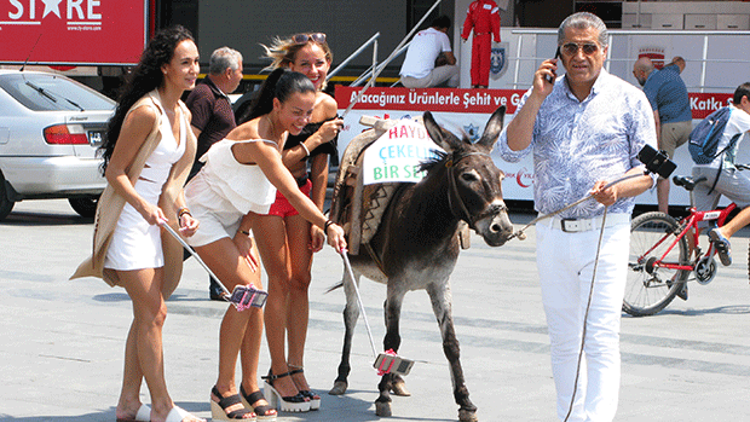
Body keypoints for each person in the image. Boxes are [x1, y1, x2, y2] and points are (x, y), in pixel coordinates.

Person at [498, 12, 656, 422]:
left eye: (589, 47)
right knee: (563, 340)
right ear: (559, 52)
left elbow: (651, 172)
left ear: (604, 51)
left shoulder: (629, 98)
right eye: (571, 47)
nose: (580, 55)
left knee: (601, 336)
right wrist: (534, 97)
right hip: (551, 233)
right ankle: (569, 417)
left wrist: (618, 190)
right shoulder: (541, 95)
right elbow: (510, 151)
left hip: (606, 231)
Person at [183, 68, 347, 419]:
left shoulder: (282, 132)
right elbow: (288, 190)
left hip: (233, 218)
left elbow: (257, 191)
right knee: (247, 291)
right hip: (202, 214)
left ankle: (249, 385)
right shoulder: (259, 140)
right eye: (297, 112)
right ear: (276, 104)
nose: (304, 120)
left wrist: (243, 233)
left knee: (256, 295)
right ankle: (222, 388)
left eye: (308, 113)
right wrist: (328, 223)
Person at [71, 26, 204, 422]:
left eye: (196, 61)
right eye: (186, 62)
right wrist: (143, 207)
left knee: (150, 313)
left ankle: (129, 402)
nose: (194, 68)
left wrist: (182, 212)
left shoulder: (182, 112)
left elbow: (174, 182)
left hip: (157, 220)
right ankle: (161, 405)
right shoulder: (147, 112)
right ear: (165, 68)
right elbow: (115, 173)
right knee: (154, 312)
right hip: (129, 218)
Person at [250, 32, 343, 412]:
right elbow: (272, 165)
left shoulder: (328, 104)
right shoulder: (276, 101)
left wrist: (320, 218)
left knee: (302, 281)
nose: (314, 70)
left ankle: (296, 366)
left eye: (319, 63)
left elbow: (321, 168)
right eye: (305, 64)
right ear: (290, 67)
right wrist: (313, 137)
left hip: (302, 198)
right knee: (281, 280)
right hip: (269, 194)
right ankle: (275, 371)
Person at [184, 46, 244, 301]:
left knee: (219, 229)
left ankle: (219, 285)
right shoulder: (203, 95)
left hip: (217, 177)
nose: (242, 76)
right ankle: (157, 268)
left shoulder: (217, 95)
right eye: (240, 71)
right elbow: (190, 137)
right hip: (201, 176)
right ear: (229, 72)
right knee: (193, 235)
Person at [691, 83, 750, 267]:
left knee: (697, 223)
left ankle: (680, 274)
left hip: (700, 169)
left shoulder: (723, 111)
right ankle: (725, 232)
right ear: (745, 100)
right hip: (718, 169)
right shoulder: (740, 114)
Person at [633, 55, 692, 214]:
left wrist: (657, 147)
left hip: (670, 127)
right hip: (687, 126)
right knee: (665, 167)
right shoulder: (670, 70)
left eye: (634, 73)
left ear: (642, 73)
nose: (635, 77)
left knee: (662, 172)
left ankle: (663, 215)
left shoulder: (650, 86)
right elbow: (681, 62)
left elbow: (655, 120)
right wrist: (674, 60)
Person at [399, 15, 459, 89]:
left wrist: (437, 63)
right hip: (422, 80)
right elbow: (452, 61)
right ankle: (451, 96)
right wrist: (446, 60)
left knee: (428, 71)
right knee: (455, 69)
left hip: (405, 80)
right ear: (445, 29)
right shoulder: (442, 35)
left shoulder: (419, 34)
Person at [461, 0, 501, 89]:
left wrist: (497, 36)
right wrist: (465, 34)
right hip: (476, 36)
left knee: (484, 60)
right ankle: (474, 82)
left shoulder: (491, 5)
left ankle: (483, 83)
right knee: (475, 60)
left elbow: (495, 21)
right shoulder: (473, 5)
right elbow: (468, 21)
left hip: (485, 36)